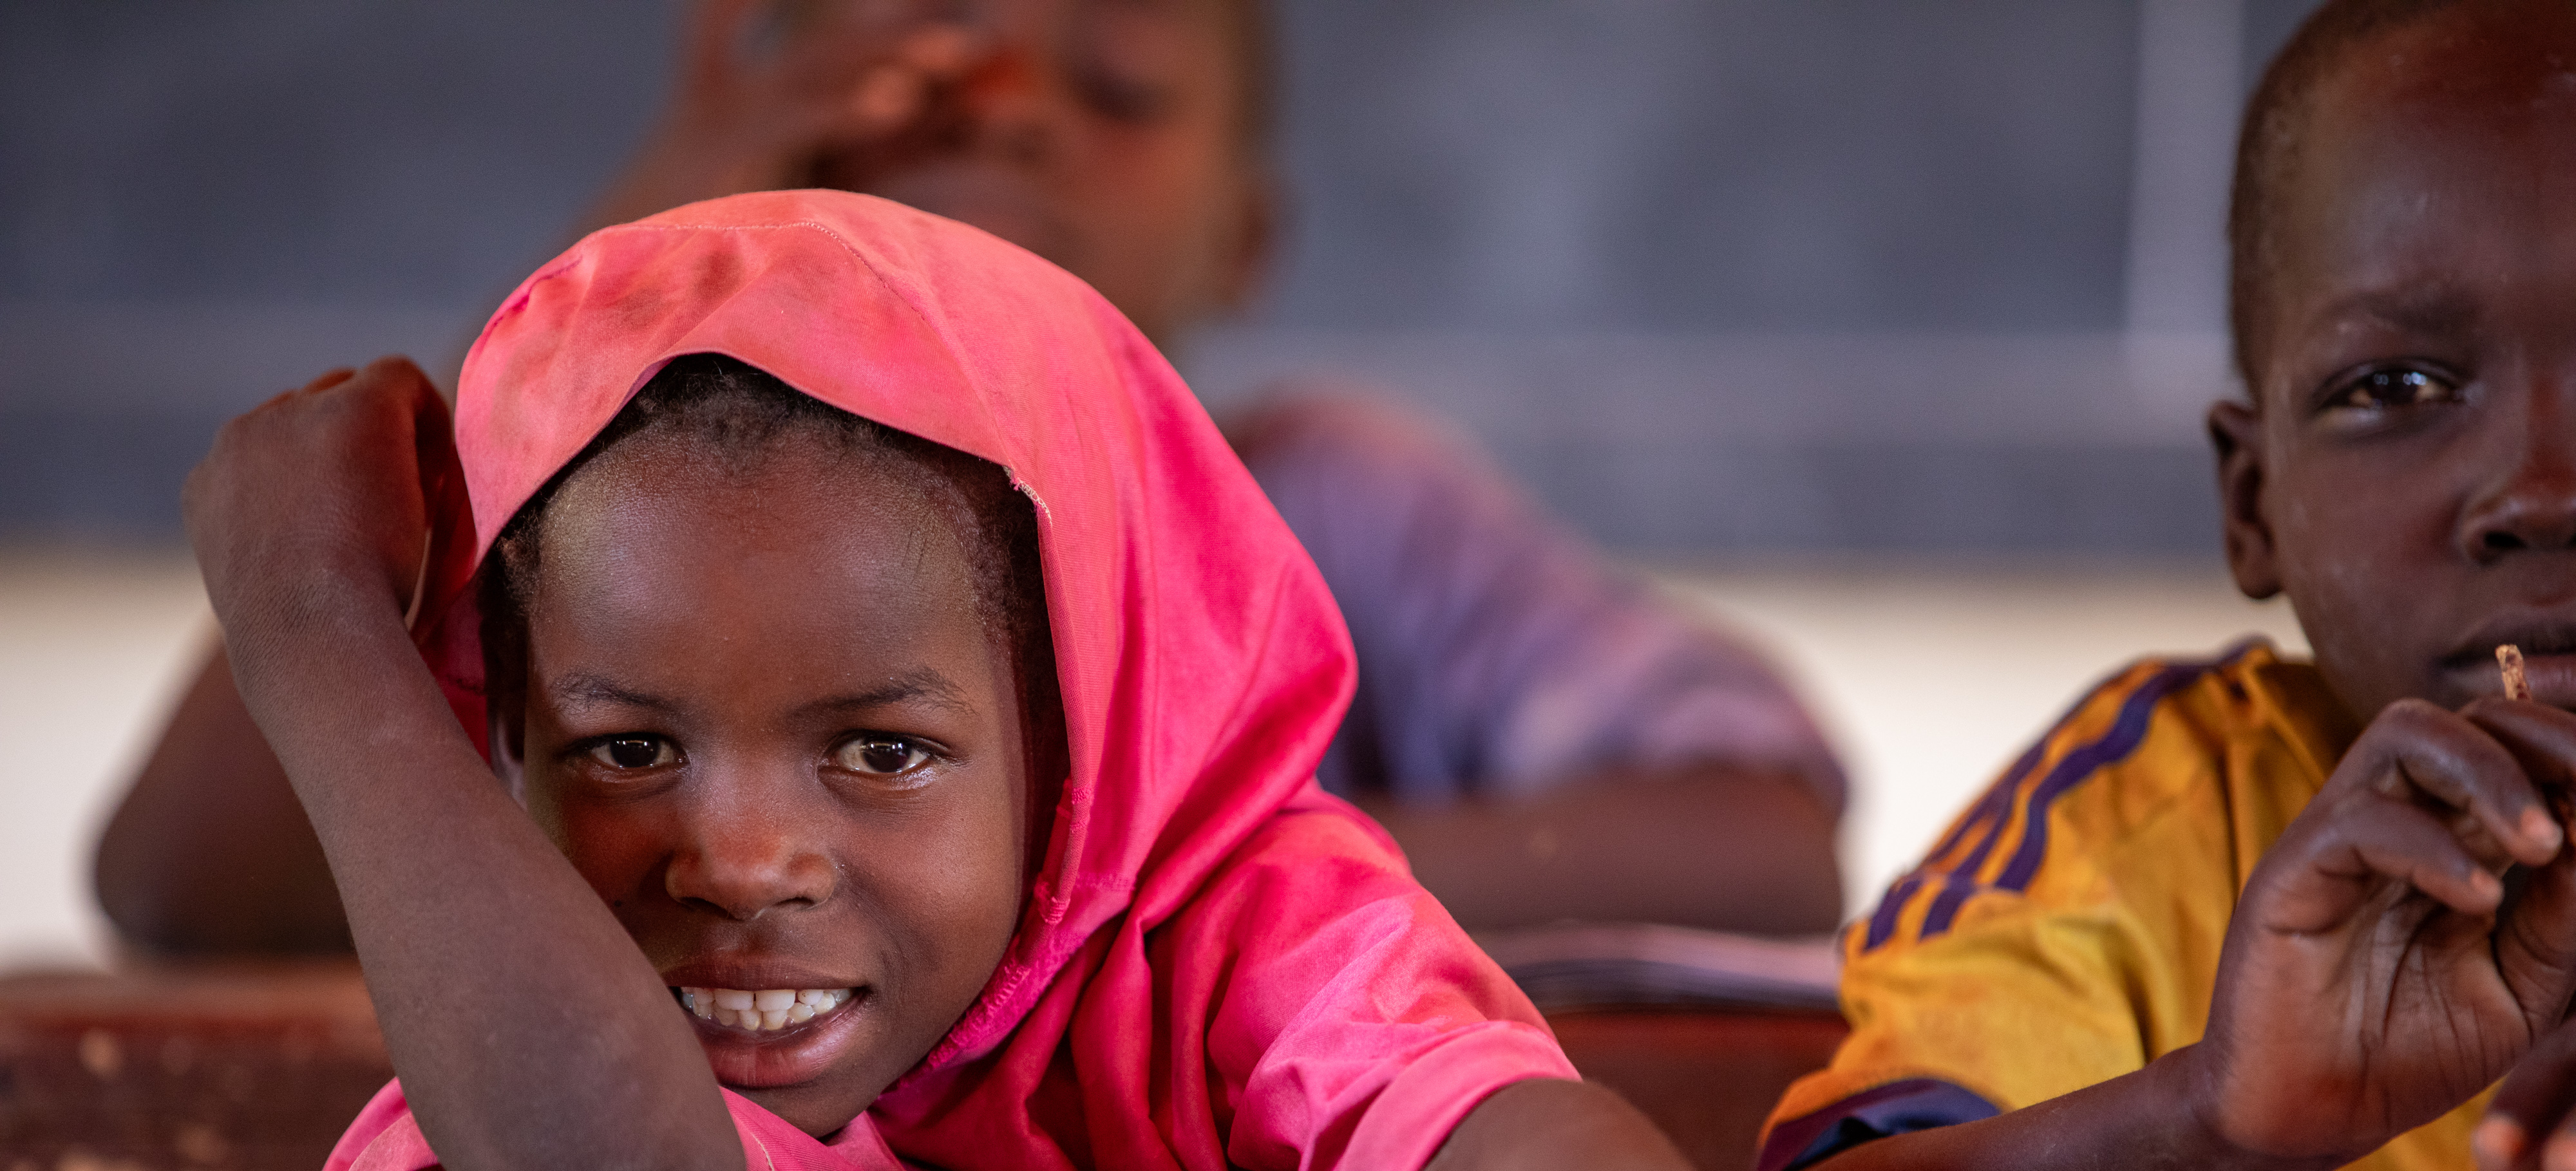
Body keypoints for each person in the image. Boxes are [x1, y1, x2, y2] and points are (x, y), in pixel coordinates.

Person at [187, 191, 1944, 1171]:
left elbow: (1462, 1124)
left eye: (881, 750)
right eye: (624, 750)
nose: (737, 858)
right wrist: (325, 635)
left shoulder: (1241, 945)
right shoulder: (543, 1062)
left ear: (1078, 732)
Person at [92, 0, 1846, 953]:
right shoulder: (611, 527)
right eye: (927, 55)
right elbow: (189, 888)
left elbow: (1760, 843)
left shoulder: (1329, 506)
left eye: (1120, 82)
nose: (1010, 109)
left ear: (1246, 238)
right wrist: (621, 266)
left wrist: (1186, 891)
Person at [1752, 1, 2576, 1171]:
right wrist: (2212, 1120)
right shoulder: (2155, 820)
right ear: (2251, 499)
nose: (2541, 488)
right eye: (2398, 386)